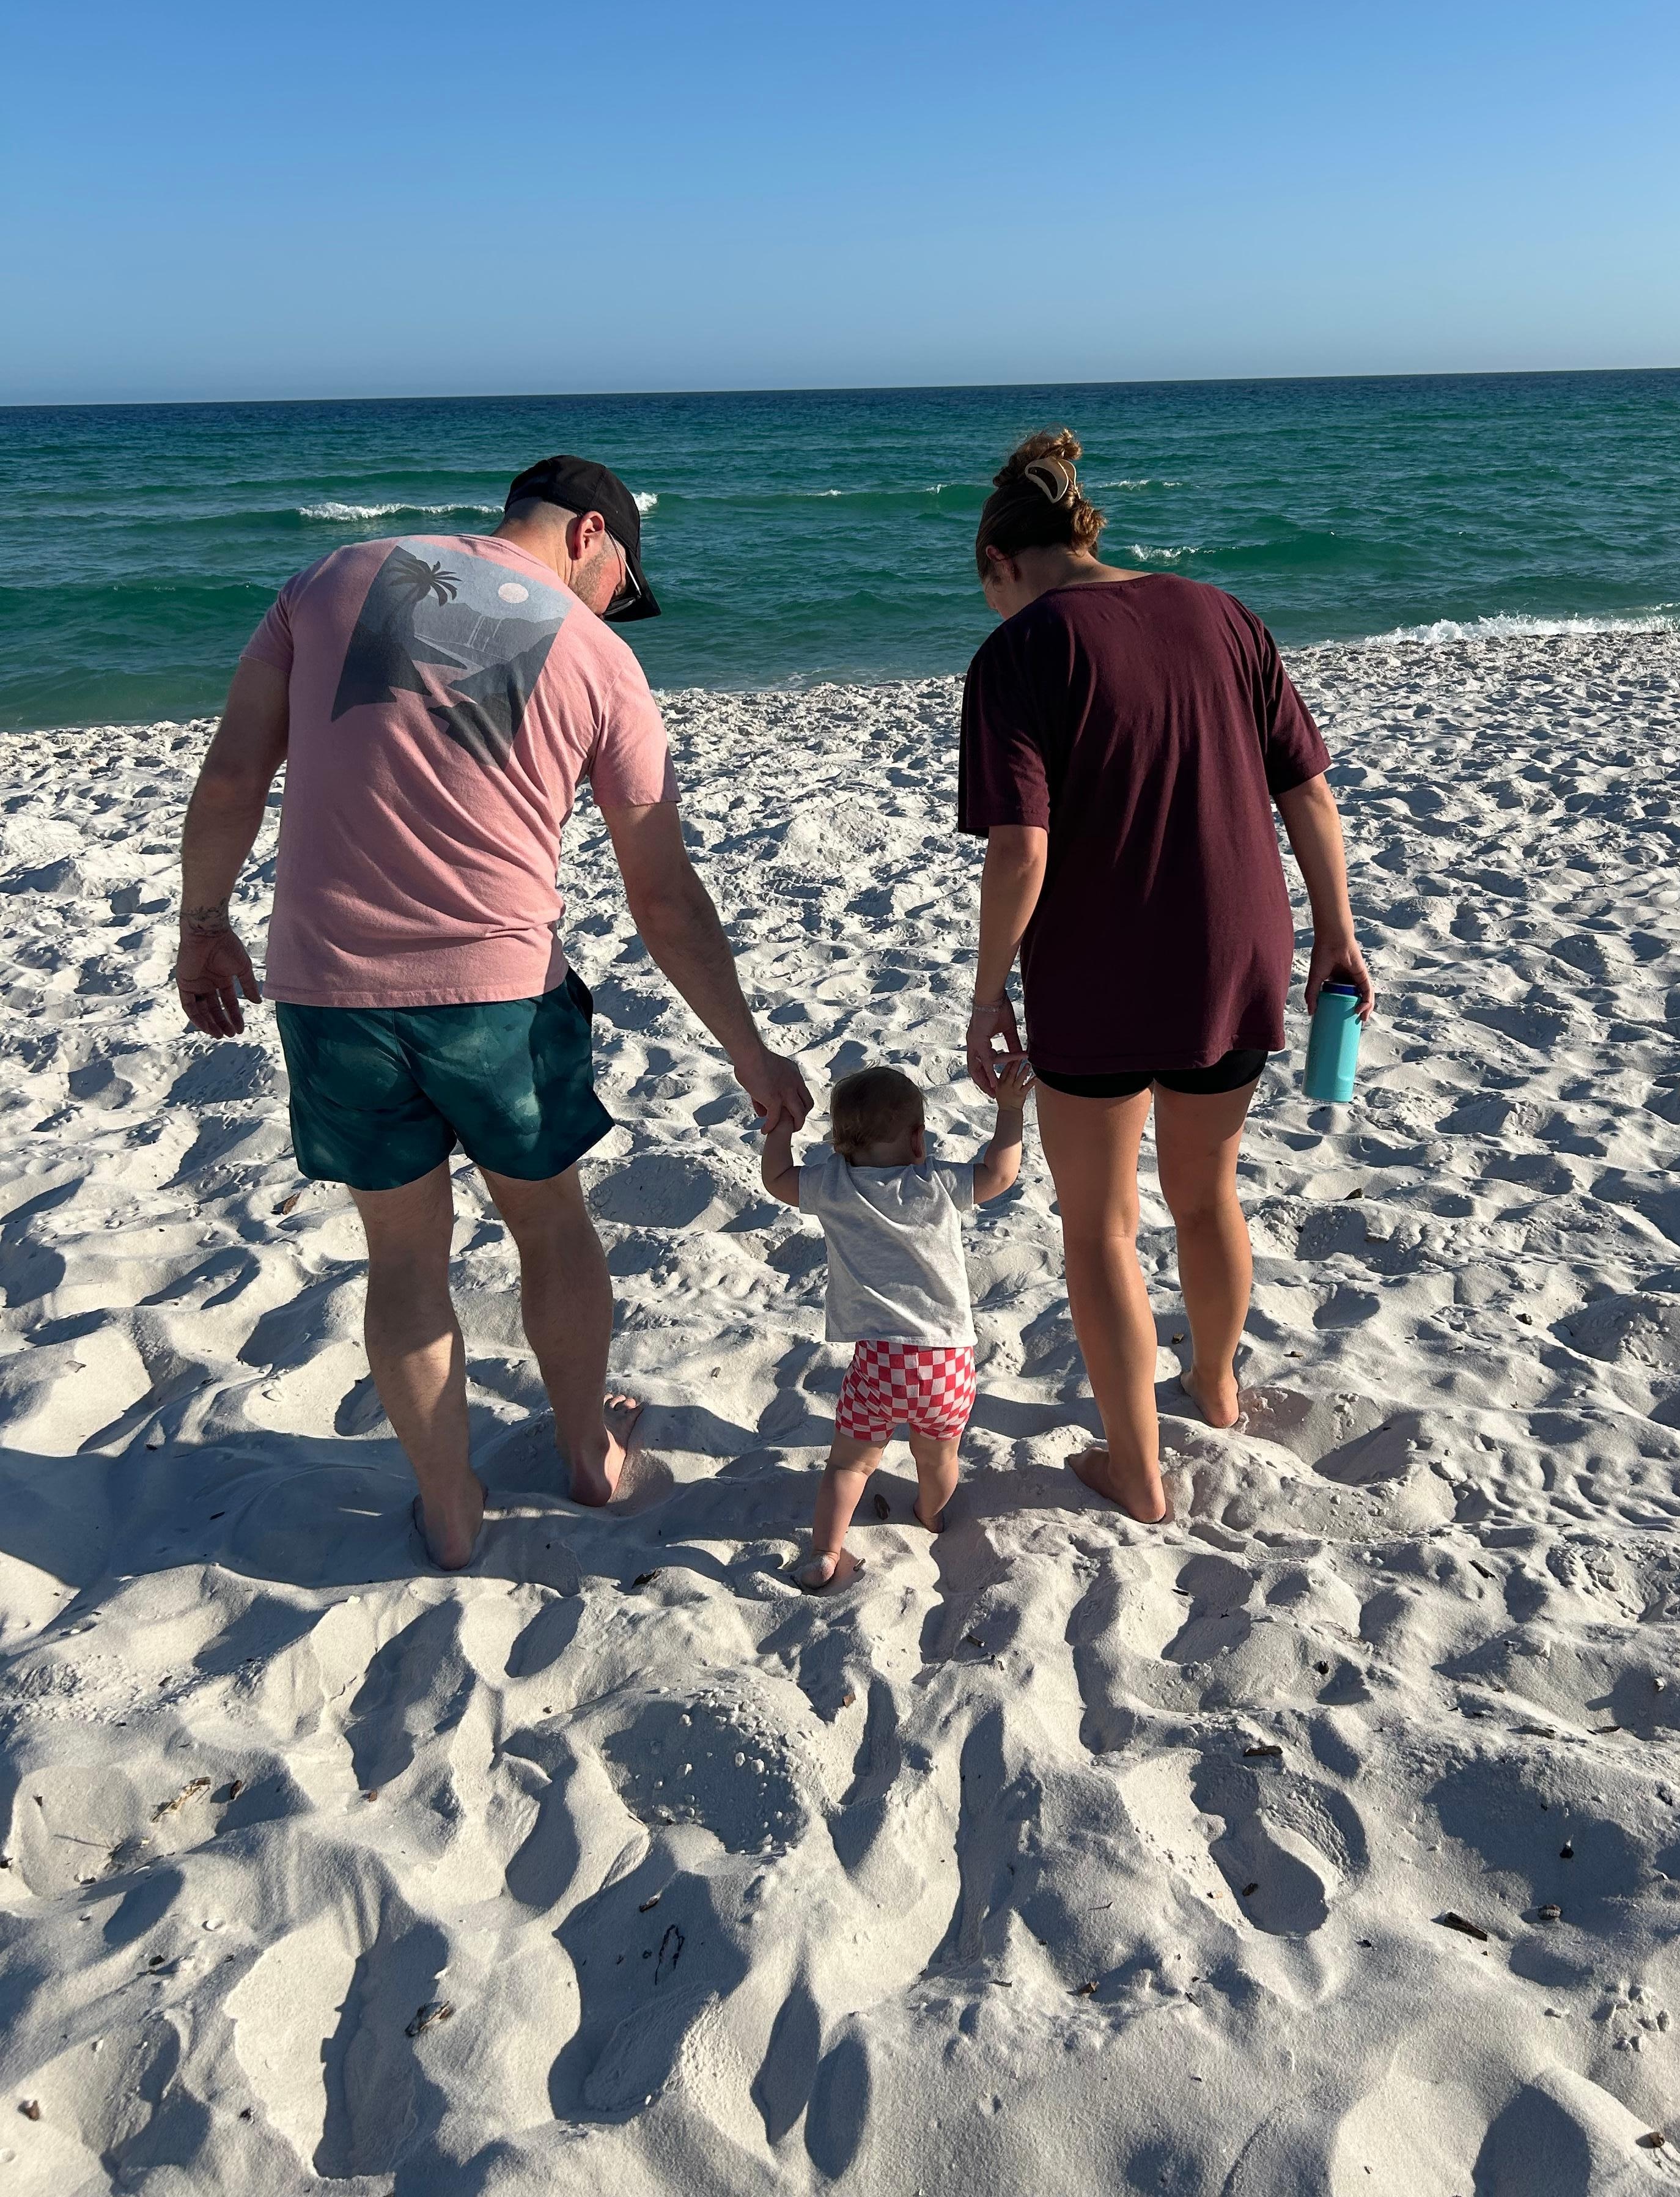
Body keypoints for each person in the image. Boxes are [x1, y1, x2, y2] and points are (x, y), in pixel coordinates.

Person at [174, 455, 810, 1570]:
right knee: (551, 1223)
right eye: (624, 585)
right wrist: (750, 1053)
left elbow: (232, 777)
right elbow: (662, 895)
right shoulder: (599, 659)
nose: (616, 606)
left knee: (402, 1257)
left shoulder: (330, 579)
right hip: (501, 998)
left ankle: (451, 1506)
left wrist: (202, 921)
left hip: (331, 990)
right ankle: (587, 1456)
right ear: (591, 536)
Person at [957, 429, 1373, 1526]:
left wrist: (988, 992)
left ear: (999, 560)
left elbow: (1021, 848)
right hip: (1237, 949)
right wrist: (1336, 932)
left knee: (1099, 1226)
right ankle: (1217, 1387)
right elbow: (1307, 791)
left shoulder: (1018, 651)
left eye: (985, 586)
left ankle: (1137, 1471)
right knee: (1206, 1192)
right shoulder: (1221, 613)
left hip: (1096, 965)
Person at [761, 1060, 1031, 1591]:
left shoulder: (833, 1185)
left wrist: (781, 1130)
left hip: (879, 1366)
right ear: (917, 1140)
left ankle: (825, 1550)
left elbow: (777, 1180)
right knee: (938, 1458)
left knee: (849, 1466)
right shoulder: (937, 1182)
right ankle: (931, 1514)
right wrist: (1010, 1111)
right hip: (945, 1363)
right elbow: (1000, 1173)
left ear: (842, 1144)